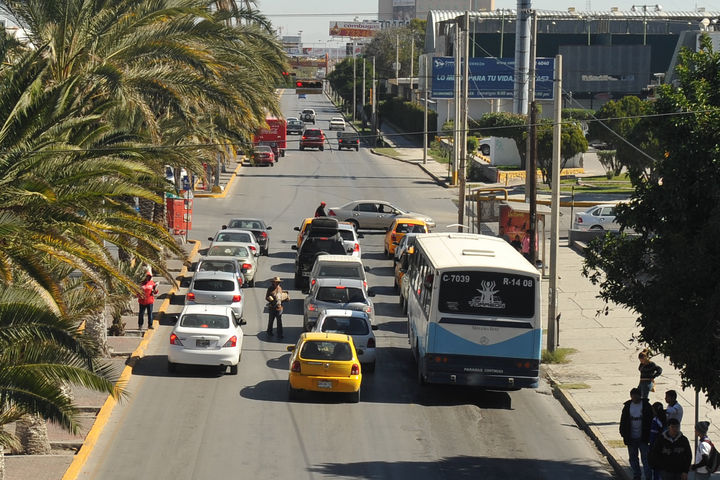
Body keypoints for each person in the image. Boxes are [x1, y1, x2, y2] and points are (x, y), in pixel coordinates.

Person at [620, 387, 655, 480]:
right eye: (633, 396)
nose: (635, 398)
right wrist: (623, 434)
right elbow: (623, 421)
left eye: (636, 396)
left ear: (640, 396)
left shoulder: (646, 406)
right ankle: (637, 475)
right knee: (633, 458)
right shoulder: (627, 406)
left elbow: (650, 421)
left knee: (646, 459)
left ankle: (648, 477)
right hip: (631, 438)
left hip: (643, 438)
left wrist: (649, 436)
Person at [650, 402, 668, 480]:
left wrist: (651, 448)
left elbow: (653, 436)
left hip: (657, 448)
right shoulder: (666, 418)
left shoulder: (655, 420)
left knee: (657, 470)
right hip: (666, 448)